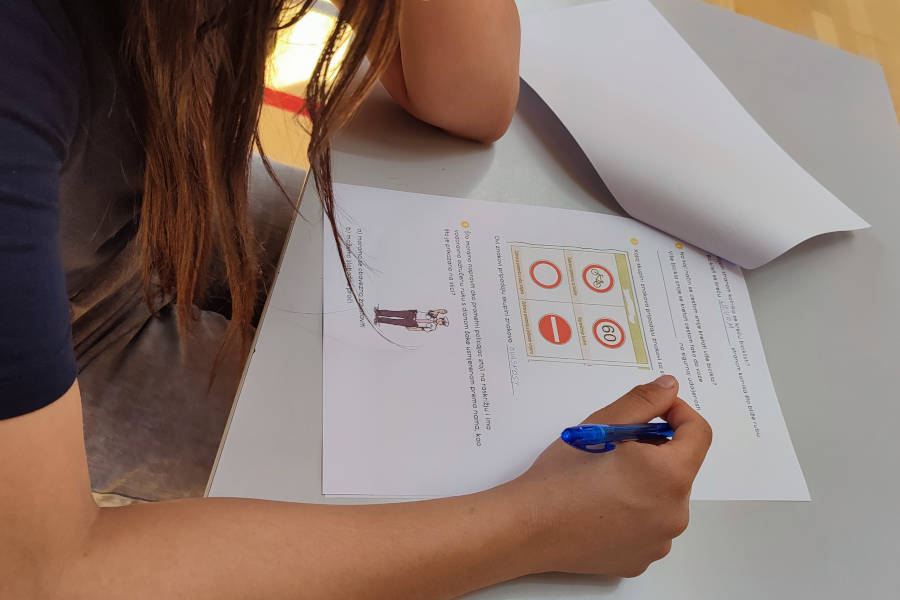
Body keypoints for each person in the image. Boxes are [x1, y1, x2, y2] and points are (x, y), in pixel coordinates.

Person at [0, 1, 712, 597]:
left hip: (163, 192)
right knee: (418, 494)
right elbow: (47, 573)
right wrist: (539, 526)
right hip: (75, 345)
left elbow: (469, 99)